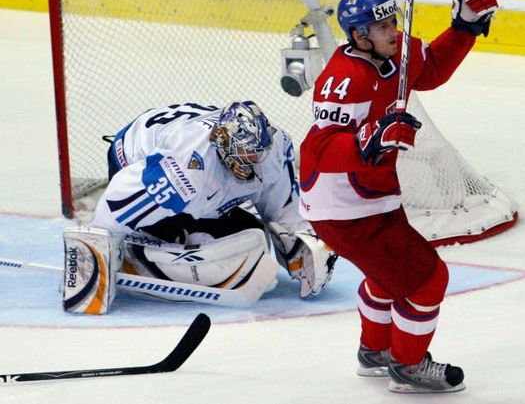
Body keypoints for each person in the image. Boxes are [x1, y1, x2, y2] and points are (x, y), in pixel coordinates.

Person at [298, 0, 498, 393]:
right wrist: (369, 138)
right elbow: (318, 150)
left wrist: (463, 27)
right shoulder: (344, 78)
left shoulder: (397, 51)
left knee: (389, 276)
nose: (394, 31)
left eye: (393, 21)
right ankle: (407, 366)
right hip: (343, 205)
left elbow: (432, 69)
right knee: (427, 280)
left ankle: (375, 352)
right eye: (383, 27)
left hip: (371, 196)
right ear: (359, 37)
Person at [62, 101, 337, 314]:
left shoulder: (273, 149)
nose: (253, 163)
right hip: (132, 157)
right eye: (244, 155)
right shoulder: (187, 168)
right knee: (202, 241)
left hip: (190, 164)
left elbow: (283, 207)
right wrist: (94, 254)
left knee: (251, 236)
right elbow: (119, 200)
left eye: (257, 154)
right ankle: (135, 256)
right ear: (222, 144)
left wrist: (301, 246)